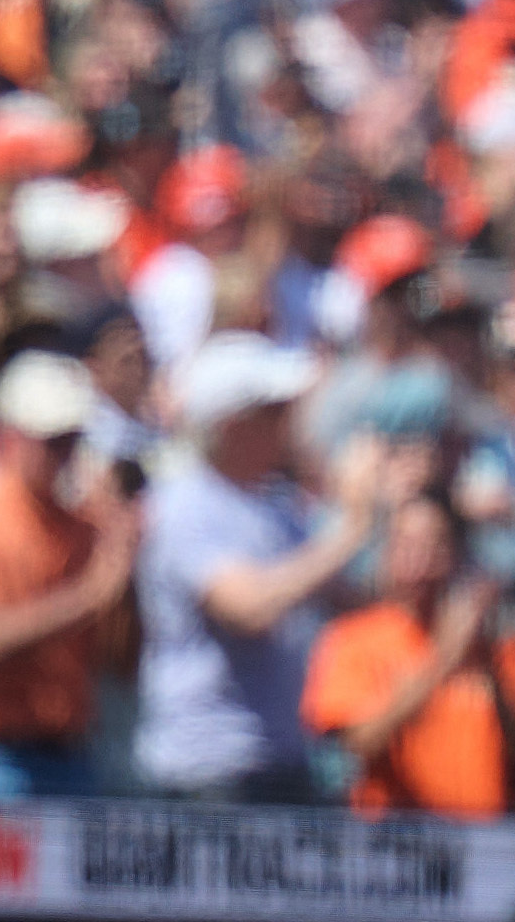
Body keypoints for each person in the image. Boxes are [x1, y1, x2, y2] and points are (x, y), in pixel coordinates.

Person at [136, 334, 383, 799]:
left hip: (281, 758)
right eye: (274, 410)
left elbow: (351, 602)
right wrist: (349, 532)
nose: (290, 420)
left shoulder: (278, 506)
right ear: (233, 426)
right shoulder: (186, 504)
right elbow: (248, 608)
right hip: (210, 773)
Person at [0, 353, 138, 797]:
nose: (65, 454)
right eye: (51, 440)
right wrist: (88, 596)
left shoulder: (86, 525)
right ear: (7, 437)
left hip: (70, 754)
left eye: (72, 439)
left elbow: (120, 660)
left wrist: (125, 563)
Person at [301, 498, 515, 817]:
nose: (419, 560)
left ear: (456, 554)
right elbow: (360, 743)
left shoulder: (488, 641)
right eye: (405, 544)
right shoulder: (351, 638)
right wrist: (443, 659)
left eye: (434, 545)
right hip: (399, 841)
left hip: (485, 843)